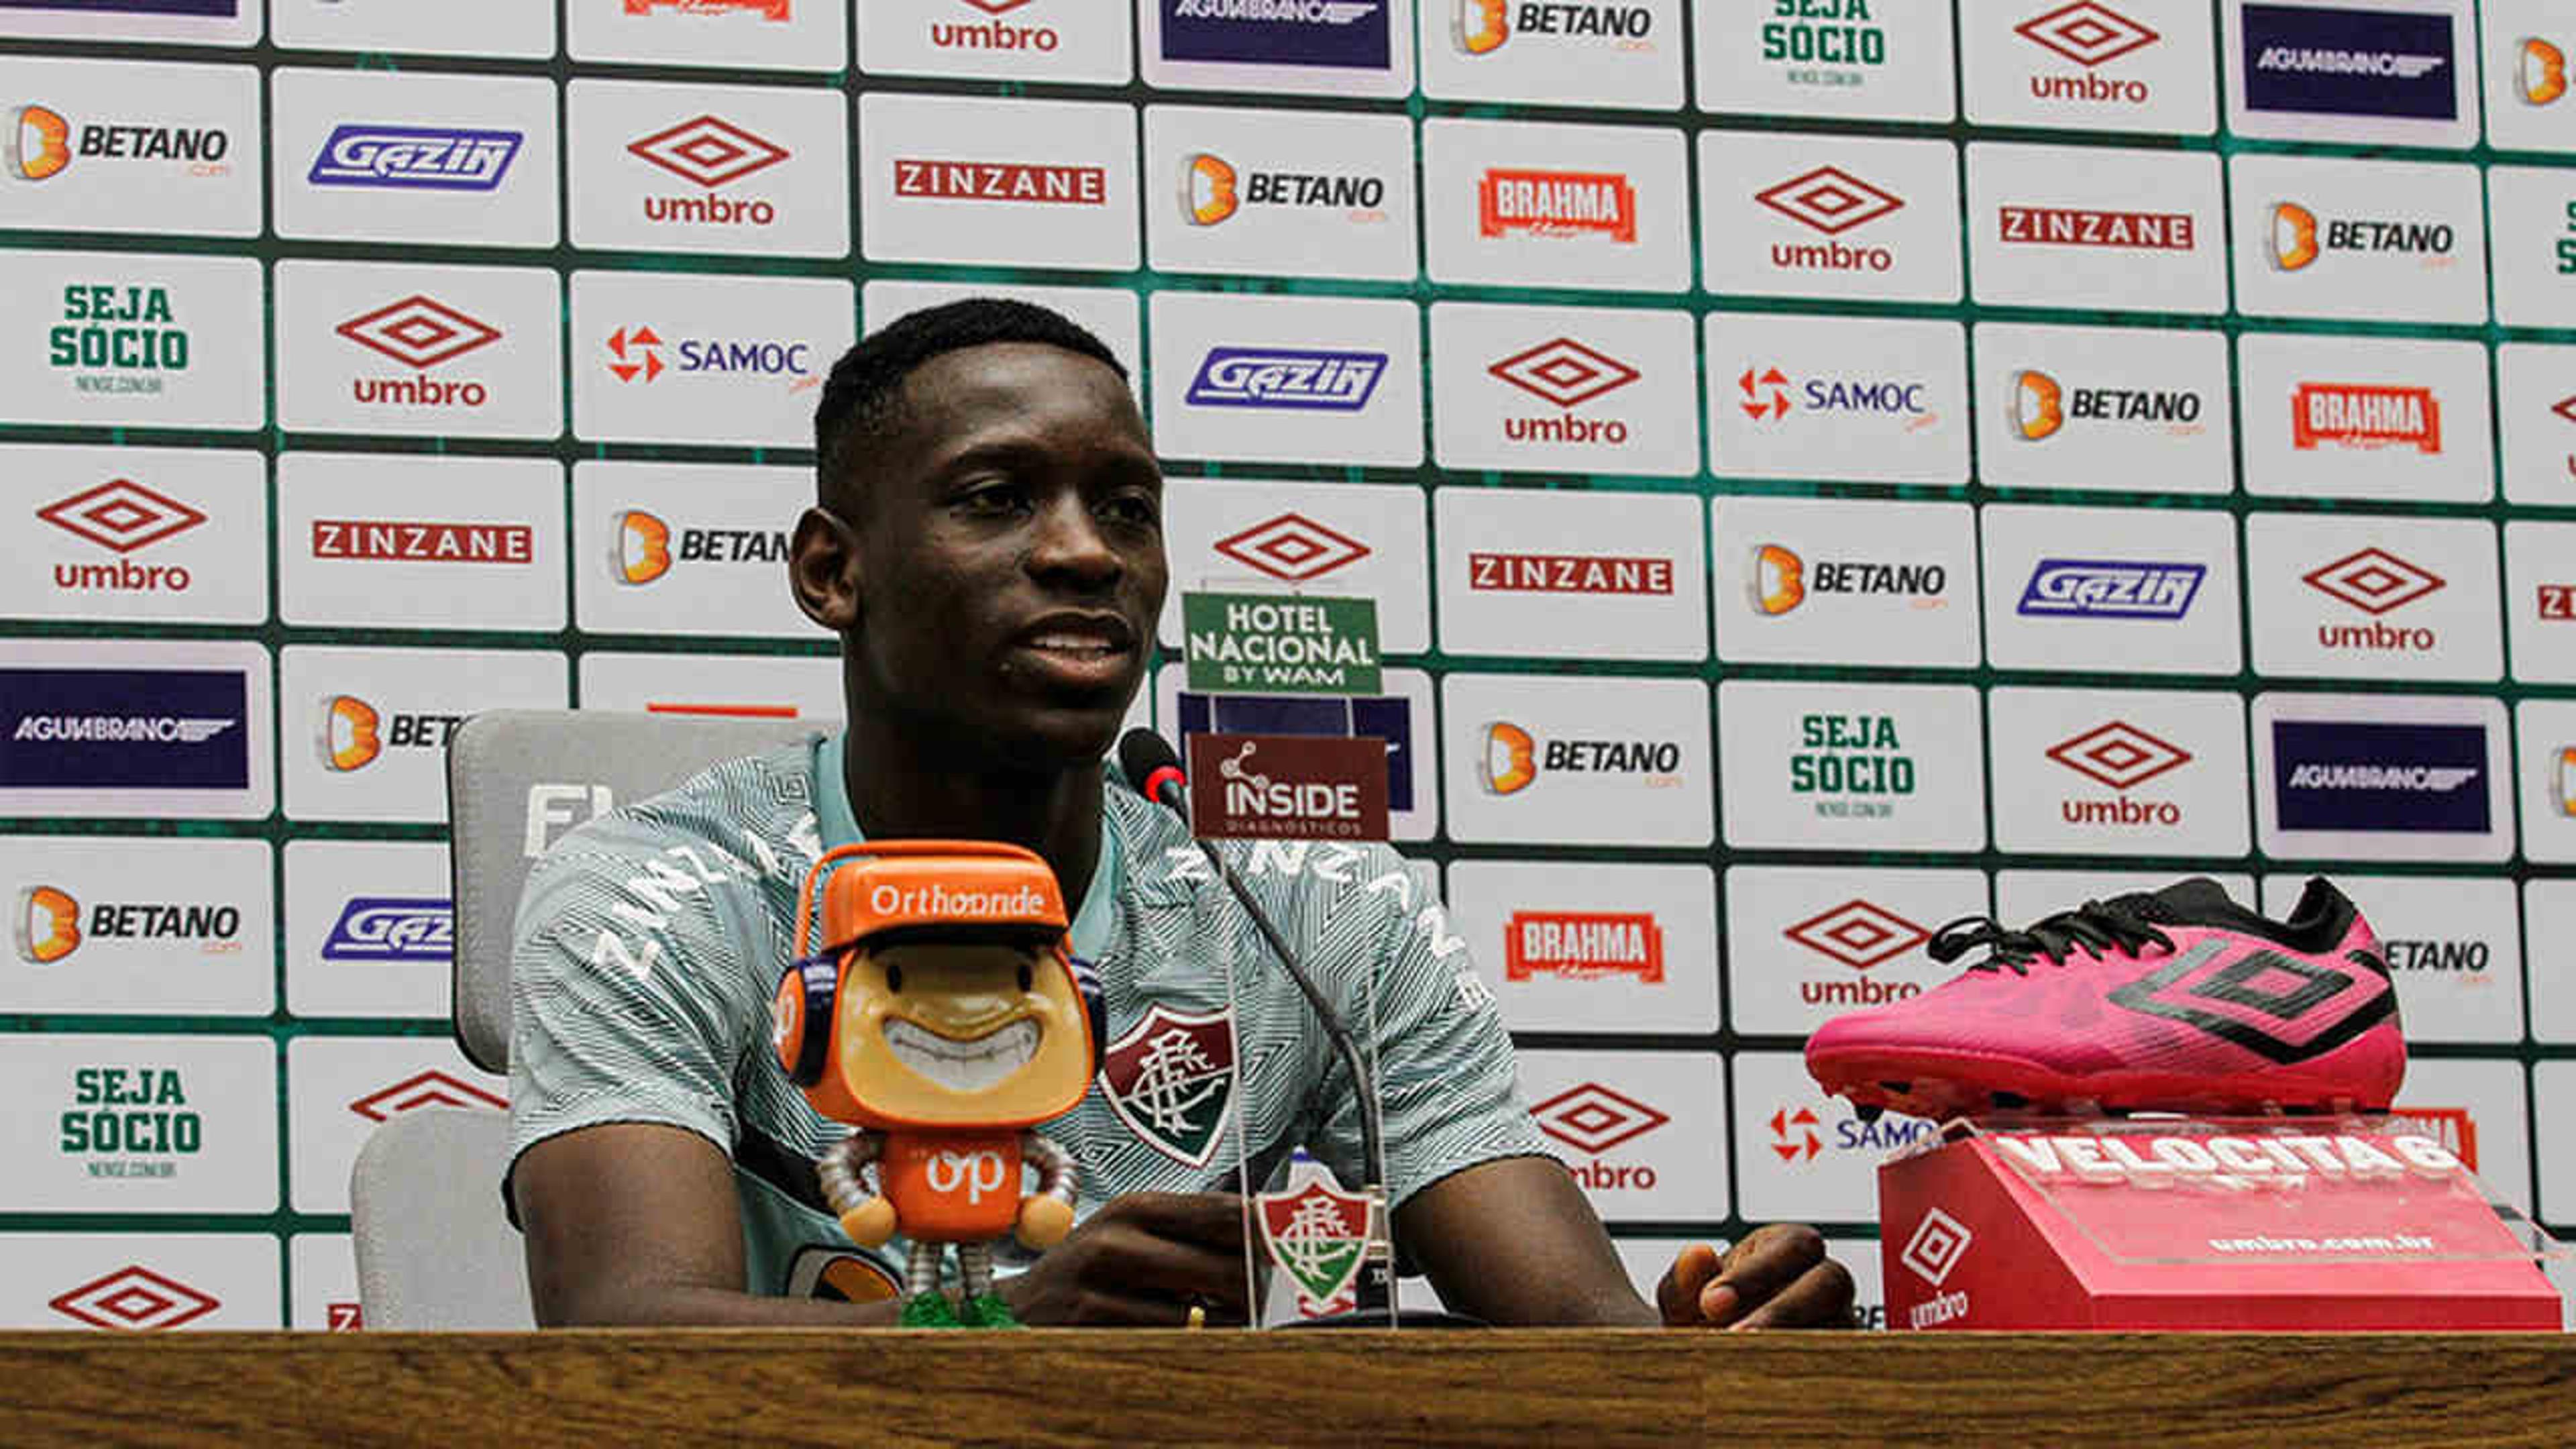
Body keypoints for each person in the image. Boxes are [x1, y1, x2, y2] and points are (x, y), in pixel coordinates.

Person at [505, 298, 1856, 1329]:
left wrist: (1696, 1344)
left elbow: (1572, 1328)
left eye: (1129, 507)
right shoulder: (656, 896)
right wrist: (1005, 1326)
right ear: (831, 571)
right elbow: (623, 1332)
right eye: (998, 499)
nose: (1087, 551)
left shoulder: (1321, 917)